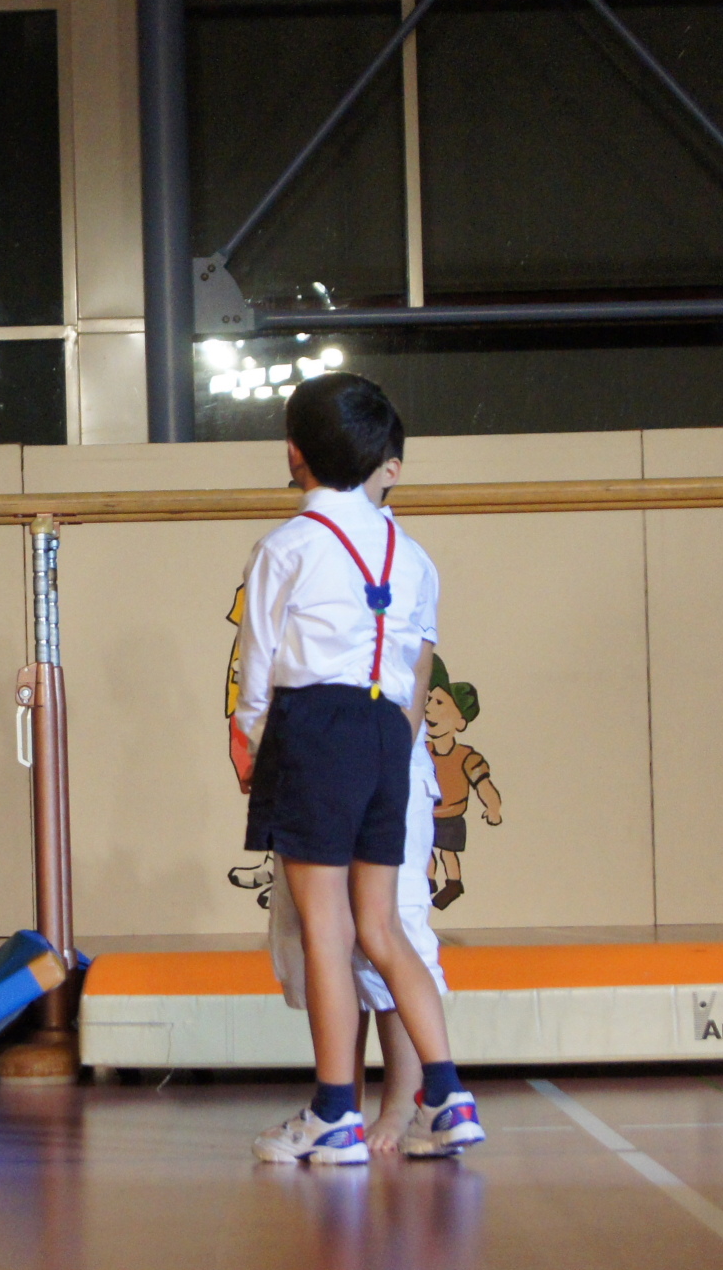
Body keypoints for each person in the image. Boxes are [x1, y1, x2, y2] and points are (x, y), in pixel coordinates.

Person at [235, 374, 484, 1164]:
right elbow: (415, 665)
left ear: (294, 454)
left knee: (327, 928)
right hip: (388, 733)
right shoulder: (411, 554)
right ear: (382, 458)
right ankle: (448, 1096)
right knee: (383, 927)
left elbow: (258, 665)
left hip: (316, 726)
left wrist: (251, 738)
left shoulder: (285, 546)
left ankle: (334, 1111)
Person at [266, 724, 449, 1152]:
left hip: (384, 768)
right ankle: (340, 1103)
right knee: (326, 937)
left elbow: (410, 702)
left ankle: (404, 1104)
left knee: (387, 934)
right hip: (314, 769)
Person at [425, 655, 500, 908]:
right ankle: (428, 881)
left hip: (451, 817)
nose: (429, 708)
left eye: (439, 702)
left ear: (460, 722)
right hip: (426, 814)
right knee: (425, 850)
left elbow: (483, 784)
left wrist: (493, 807)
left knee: (448, 852)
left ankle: (454, 883)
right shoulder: (422, 751)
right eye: (428, 701)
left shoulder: (465, 756)